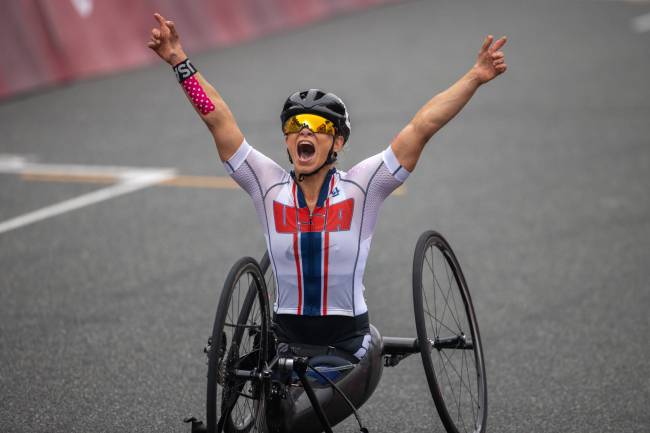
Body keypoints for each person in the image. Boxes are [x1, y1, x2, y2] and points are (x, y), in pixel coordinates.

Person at [147, 13, 507, 362]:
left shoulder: (364, 186)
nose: (304, 131)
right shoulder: (268, 185)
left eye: (318, 125)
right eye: (295, 125)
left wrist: (474, 77)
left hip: (347, 343)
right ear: (287, 141)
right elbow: (217, 117)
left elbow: (422, 125)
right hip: (285, 340)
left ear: (337, 143)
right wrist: (179, 61)